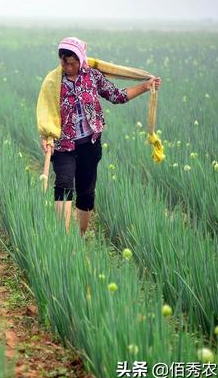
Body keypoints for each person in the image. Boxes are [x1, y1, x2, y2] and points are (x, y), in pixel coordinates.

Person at [40, 37, 162, 236]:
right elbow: (45, 112)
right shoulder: (53, 81)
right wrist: (44, 138)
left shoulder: (92, 76)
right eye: (64, 62)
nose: (68, 67)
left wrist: (146, 86)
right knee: (63, 185)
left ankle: (78, 236)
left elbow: (117, 96)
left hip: (89, 144)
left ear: (81, 60)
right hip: (63, 145)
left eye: (72, 63)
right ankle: (63, 239)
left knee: (86, 193)